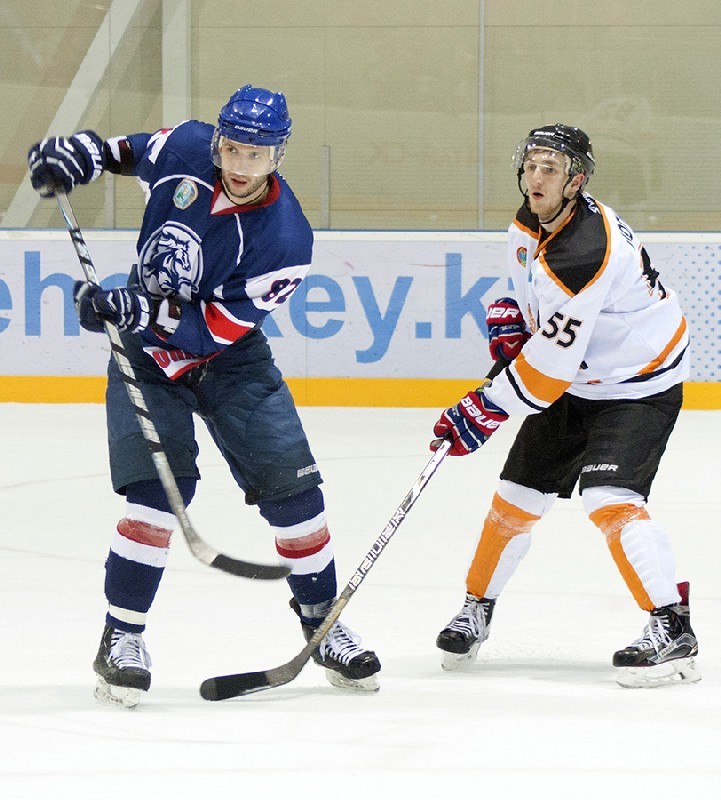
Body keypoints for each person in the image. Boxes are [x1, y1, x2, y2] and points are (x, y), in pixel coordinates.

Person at [27, 84, 381, 707]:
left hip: (230, 360)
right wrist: (83, 154)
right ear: (218, 140)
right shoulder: (189, 145)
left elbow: (210, 331)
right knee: (156, 496)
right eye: (234, 148)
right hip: (146, 356)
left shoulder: (285, 238)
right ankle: (122, 636)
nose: (241, 165)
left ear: (278, 155)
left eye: (257, 154)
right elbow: (135, 151)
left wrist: (135, 309)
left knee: (296, 495)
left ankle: (322, 624)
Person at [431, 123, 700, 689]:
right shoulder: (535, 218)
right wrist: (515, 313)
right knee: (515, 498)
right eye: (531, 165)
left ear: (575, 181)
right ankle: (477, 607)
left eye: (550, 169)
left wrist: (483, 408)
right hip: (582, 376)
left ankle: (672, 627)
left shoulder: (583, 252)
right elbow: (532, 292)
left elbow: (547, 374)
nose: (536, 177)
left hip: (637, 383)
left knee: (610, 498)